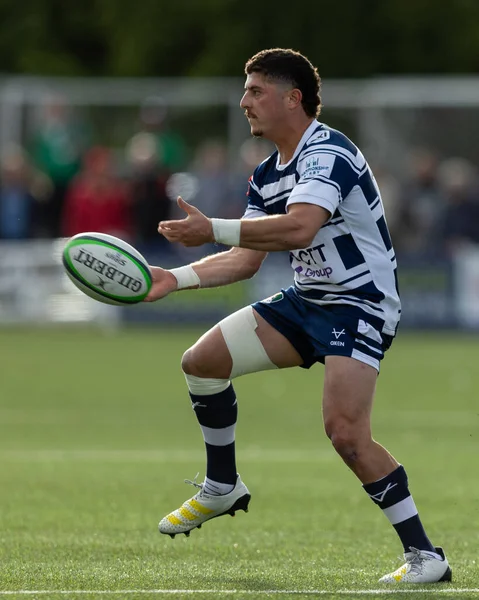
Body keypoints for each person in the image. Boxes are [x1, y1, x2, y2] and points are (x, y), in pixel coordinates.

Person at [145, 48, 451, 585]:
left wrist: (212, 227)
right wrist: (178, 278)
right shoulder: (267, 172)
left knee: (346, 434)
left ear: (293, 99)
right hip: (307, 300)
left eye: (255, 91)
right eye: (245, 91)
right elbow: (247, 259)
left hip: (360, 303)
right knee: (202, 362)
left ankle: (426, 557)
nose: (244, 102)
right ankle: (222, 486)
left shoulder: (327, 152)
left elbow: (299, 229)